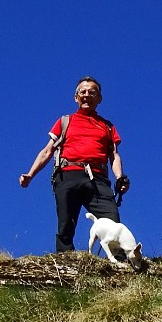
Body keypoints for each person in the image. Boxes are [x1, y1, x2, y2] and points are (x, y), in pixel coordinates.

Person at [19, 77, 131, 252]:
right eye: (83, 92)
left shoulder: (107, 126)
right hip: (67, 174)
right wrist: (30, 174)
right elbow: (47, 150)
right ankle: (65, 262)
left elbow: (114, 155)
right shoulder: (65, 121)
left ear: (99, 98)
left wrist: (119, 177)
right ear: (76, 97)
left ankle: (120, 261)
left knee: (112, 219)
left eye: (92, 92)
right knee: (66, 223)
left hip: (97, 179)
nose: (87, 95)